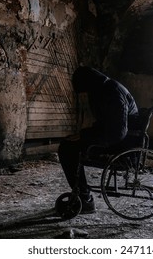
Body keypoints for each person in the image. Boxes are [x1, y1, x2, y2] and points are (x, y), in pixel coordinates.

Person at [58, 66, 139, 214]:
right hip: (116, 138)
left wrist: (85, 136)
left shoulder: (113, 92)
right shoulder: (104, 89)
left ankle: (84, 198)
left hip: (121, 144)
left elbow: (118, 132)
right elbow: (106, 124)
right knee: (68, 145)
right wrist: (84, 134)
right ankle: (83, 196)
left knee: (68, 148)